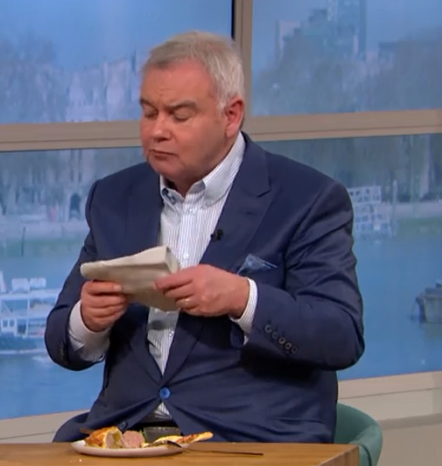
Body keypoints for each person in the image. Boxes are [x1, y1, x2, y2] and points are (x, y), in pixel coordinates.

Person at [45, 31, 364, 444]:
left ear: (231, 116)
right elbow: (60, 341)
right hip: (125, 437)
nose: (157, 131)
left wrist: (242, 298)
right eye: (148, 113)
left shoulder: (307, 200)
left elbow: (341, 335)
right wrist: (88, 320)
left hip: (248, 440)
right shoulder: (113, 198)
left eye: (178, 116)